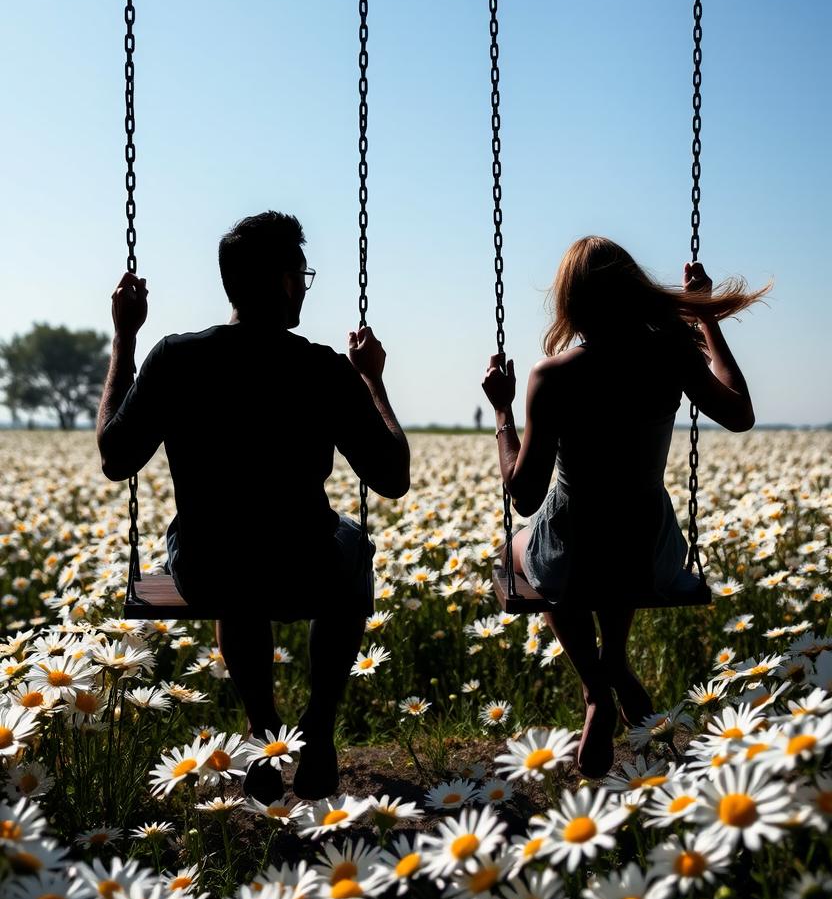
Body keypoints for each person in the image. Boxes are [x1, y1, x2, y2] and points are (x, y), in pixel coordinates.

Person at [97, 211, 410, 801]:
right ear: (282, 280)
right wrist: (373, 381)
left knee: (222, 553)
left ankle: (263, 726)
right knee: (354, 548)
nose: (302, 287)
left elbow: (116, 456)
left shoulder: (175, 358)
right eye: (300, 274)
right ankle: (317, 726)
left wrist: (124, 338)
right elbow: (392, 477)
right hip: (304, 564)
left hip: (208, 566)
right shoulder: (321, 367)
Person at [481, 236, 769, 778]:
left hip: (575, 552)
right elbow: (740, 414)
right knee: (615, 535)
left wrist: (502, 411)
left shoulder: (555, 375)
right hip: (648, 552)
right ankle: (615, 655)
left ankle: (596, 688)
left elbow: (524, 496)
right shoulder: (672, 353)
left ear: (572, 301)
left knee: (518, 554)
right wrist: (707, 321)